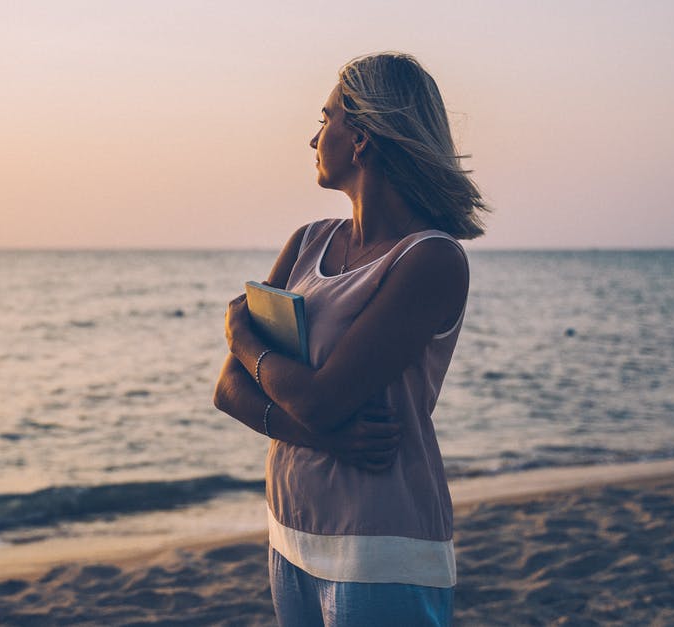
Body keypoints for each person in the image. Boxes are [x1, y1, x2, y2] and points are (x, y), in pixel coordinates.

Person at [213, 52, 487, 626]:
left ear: (360, 136)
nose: (314, 137)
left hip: (380, 544)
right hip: (290, 531)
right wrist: (328, 441)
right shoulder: (308, 242)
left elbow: (320, 399)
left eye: (326, 118)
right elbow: (228, 391)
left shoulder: (430, 259)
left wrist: (241, 333)